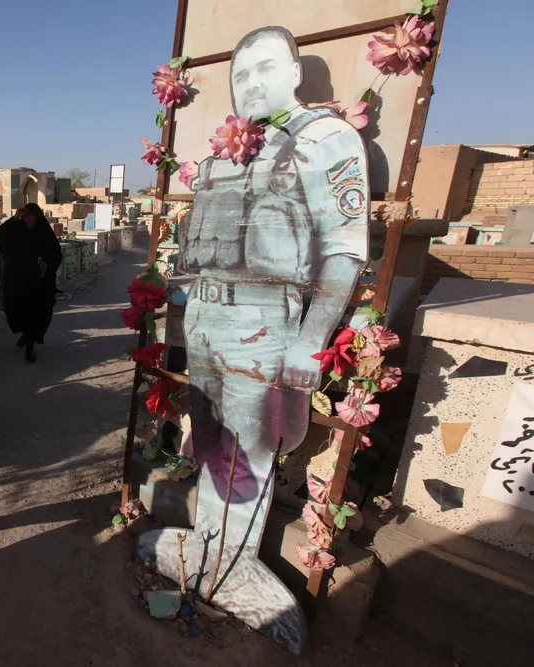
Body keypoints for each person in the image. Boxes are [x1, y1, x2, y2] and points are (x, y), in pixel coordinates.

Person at [137, 26, 368, 655]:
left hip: (269, 327)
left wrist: (310, 341)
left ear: (295, 72)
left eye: (265, 68)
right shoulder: (223, 153)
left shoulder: (325, 141)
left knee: (250, 455)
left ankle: (230, 568)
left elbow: (345, 251)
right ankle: (208, 553)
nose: (251, 84)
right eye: (240, 75)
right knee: (211, 445)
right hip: (210, 325)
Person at [0, 203, 63, 362]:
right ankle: (26, 334)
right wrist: (15, 217)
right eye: (25, 216)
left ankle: (30, 346)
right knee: (19, 311)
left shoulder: (44, 233)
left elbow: (56, 254)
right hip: (19, 282)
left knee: (38, 315)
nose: (28, 219)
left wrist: (48, 266)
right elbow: (2, 234)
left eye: (30, 215)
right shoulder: (17, 230)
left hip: (41, 283)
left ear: (37, 217)